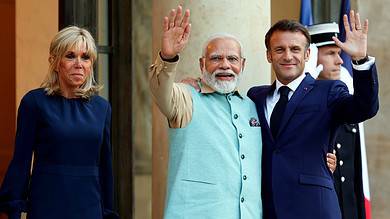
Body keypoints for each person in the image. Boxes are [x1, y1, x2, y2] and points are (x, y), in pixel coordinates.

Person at [247, 10, 379, 219]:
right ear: (269, 55)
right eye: (279, 49)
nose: (288, 56)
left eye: (295, 49)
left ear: (307, 54)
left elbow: (364, 108)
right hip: (267, 209)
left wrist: (360, 60)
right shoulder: (255, 96)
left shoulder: (329, 91)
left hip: (314, 209)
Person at [150, 5, 263, 218]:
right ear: (202, 64)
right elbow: (160, 91)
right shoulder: (186, 97)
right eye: (215, 58)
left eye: (232, 59)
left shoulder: (252, 106)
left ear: (243, 64)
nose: (225, 65)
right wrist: (167, 57)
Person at [0, 26, 118, 219]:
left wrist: (108, 211)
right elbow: (21, 161)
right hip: (47, 205)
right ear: (55, 62)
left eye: (85, 57)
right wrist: (13, 208)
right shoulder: (34, 103)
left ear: (91, 65)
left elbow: (105, 167)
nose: (79, 64)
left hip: (90, 208)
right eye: (70, 56)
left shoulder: (102, 108)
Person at [307, 22, 371, 219]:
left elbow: (354, 174)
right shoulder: (296, 105)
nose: (339, 61)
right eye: (330, 54)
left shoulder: (346, 98)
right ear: (310, 55)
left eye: (339, 53)